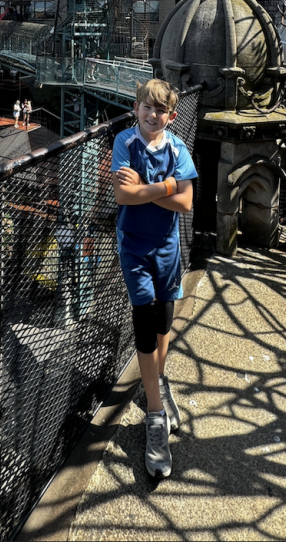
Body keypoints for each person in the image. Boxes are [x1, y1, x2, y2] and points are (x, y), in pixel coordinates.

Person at [111, 78, 197, 480]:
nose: (152, 114)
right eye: (147, 106)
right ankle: (155, 412)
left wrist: (149, 188)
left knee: (164, 317)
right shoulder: (125, 143)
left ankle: (156, 384)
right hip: (135, 246)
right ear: (136, 108)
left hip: (167, 247)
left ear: (172, 116)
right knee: (145, 320)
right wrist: (166, 186)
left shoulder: (178, 147)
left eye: (160, 110)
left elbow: (186, 201)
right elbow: (123, 198)